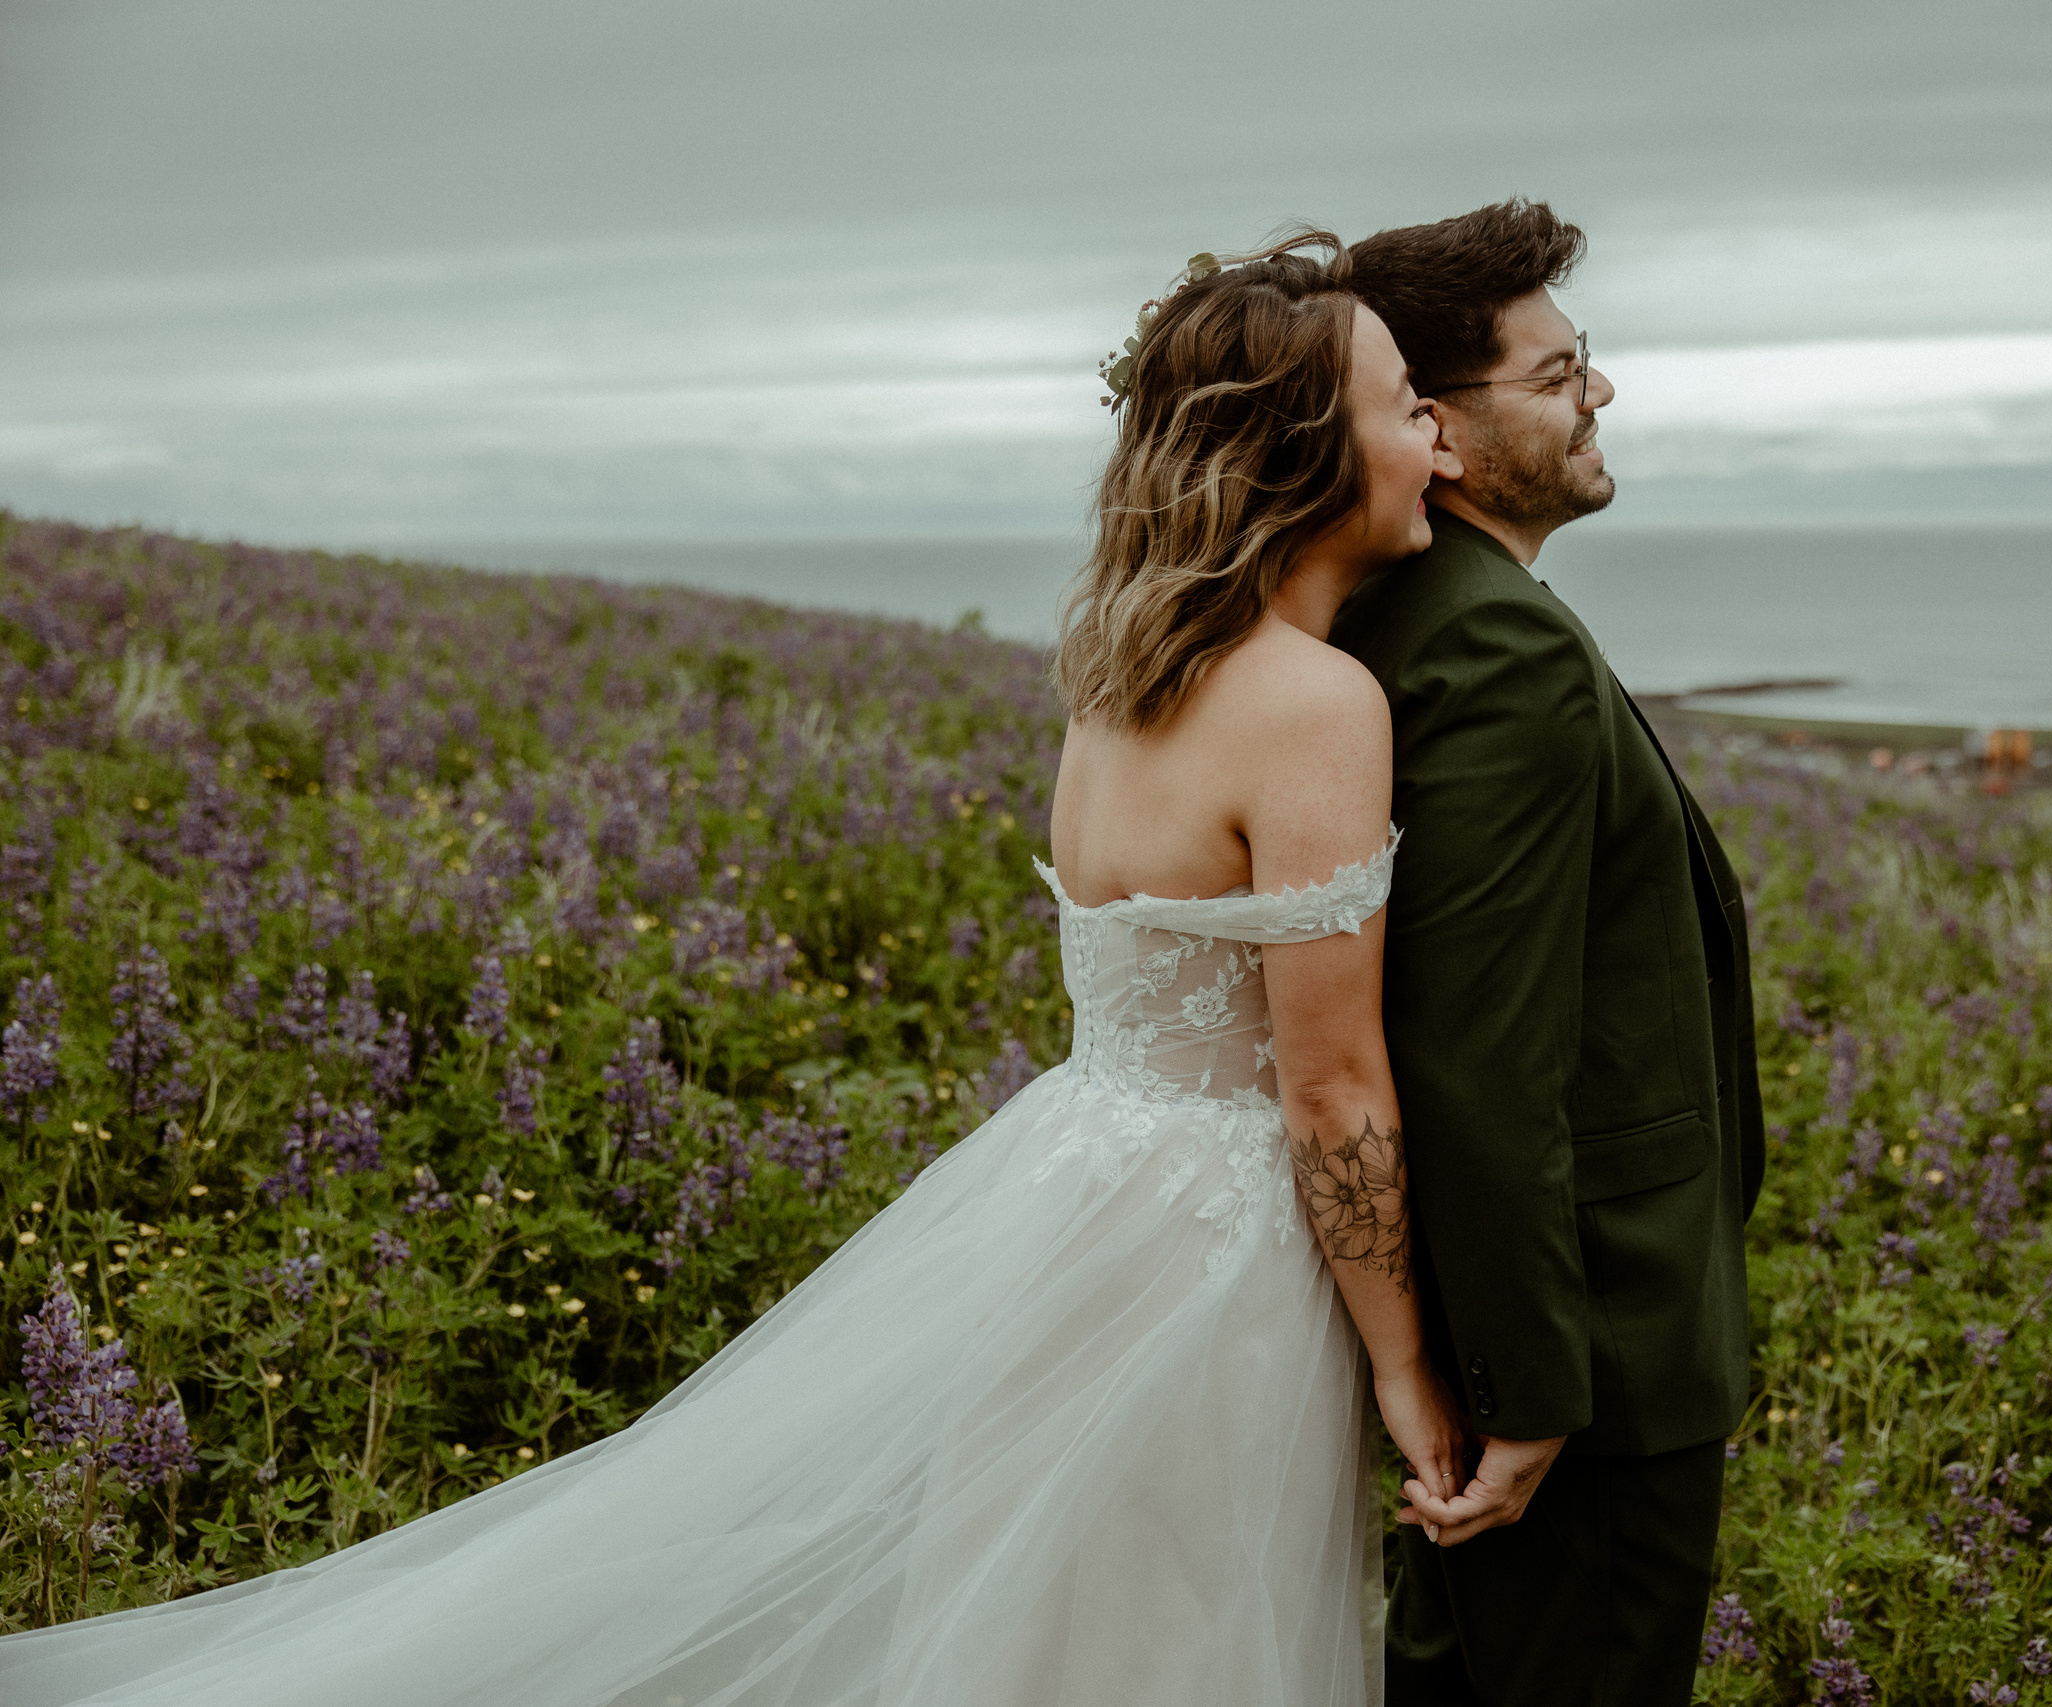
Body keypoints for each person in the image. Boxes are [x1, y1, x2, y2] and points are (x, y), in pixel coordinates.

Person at [0, 235, 1469, 1707]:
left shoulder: (1118, 677)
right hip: (1207, 1254)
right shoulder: (1316, 704)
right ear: (1300, 448)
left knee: (1050, 1629)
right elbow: (1330, 1086)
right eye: (1408, 406)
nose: (1438, 438)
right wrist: (1409, 1373)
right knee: (1180, 1633)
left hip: (1074, 1193)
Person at [1331, 200, 1767, 1707]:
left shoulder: (1431, 611)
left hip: (1553, 1333)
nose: (1601, 392)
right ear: (1438, 433)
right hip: (1589, 1351)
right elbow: (1477, 1045)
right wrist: (1529, 1386)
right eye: (1558, 370)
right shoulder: (1487, 641)